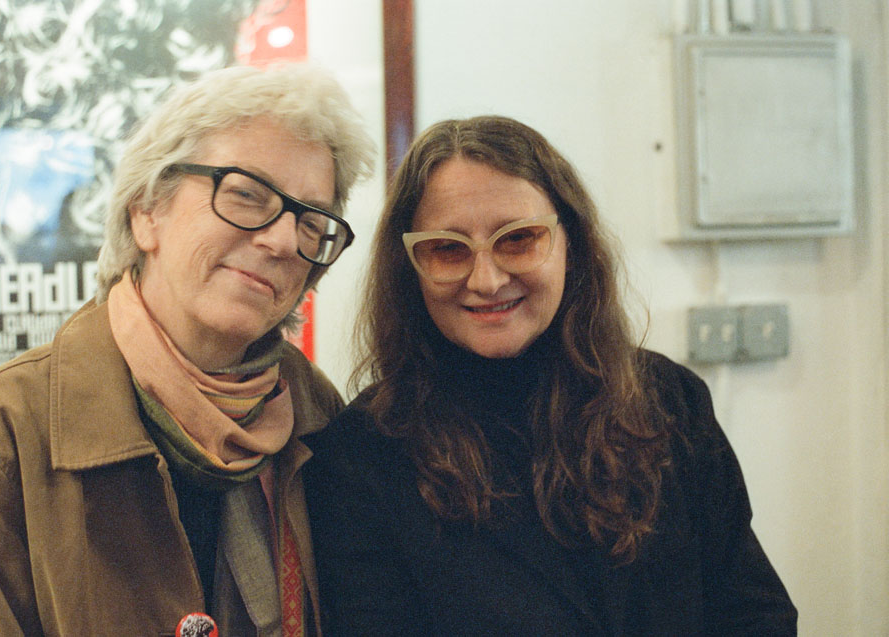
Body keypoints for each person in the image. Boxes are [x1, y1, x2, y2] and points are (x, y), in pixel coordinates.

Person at [302, 115, 797, 635]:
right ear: (411, 268)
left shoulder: (670, 401)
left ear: (571, 245)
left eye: (518, 239)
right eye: (447, 248)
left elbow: (754, 613)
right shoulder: (359, 457)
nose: (486, 280)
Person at [0, 64, 374, 635]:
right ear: (146, 211)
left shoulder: (316, 415)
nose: (284, 240)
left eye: (312, 223)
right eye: (246, 194)